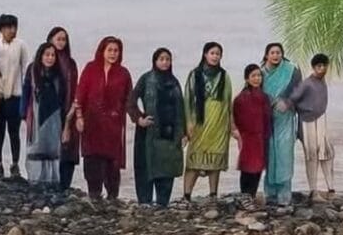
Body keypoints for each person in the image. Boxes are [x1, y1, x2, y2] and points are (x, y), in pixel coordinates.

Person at [75, 36, 133, 200]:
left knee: (112, 163)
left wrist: (138, 118)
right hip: (92, 123)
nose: (113, 54)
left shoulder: (123, 73)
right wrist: (79, 117)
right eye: (110, 50)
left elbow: (130, 100)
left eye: (116, 51)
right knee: (92, 159)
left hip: (113, 126)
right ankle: (94, 194)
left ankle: (112, 196)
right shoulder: (91, 68)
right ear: (102, 51)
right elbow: (80, 94)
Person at [127, 48, 186, 207]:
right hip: (148, 132)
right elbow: (130, 102)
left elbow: (181, 109)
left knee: (167, 168)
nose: (165, 62)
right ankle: (144, 201)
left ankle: (162, 203)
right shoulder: (146, 79)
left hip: (170, 133)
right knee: (145, 167)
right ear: (155, 61)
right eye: (161, 59)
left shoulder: (174, 82)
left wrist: (183, 133)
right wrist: (139, 119)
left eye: (168, 59)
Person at [183, 42, 236, 203]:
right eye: (212, 53)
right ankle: (186, 195)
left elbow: (228, 102)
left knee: (216, 160)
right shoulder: (195, 74)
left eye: (218, 54)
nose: (215, 56)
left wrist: (230, 125)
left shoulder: (224, 76)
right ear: (205, 54)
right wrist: (189, 123)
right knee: (194, 160)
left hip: (218, 122)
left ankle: (213, 194)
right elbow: (188, 100)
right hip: (199, 122)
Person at [0, 13, 30, 179]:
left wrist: (27, 97)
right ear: (1, 29)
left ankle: (15, 164)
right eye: (9, 27)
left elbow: (26, 70)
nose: (12, 30)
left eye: (14, 27)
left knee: (14, 132)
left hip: (16, 95)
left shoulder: (21, 45)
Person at [290, 54, 334, 203]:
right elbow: (293, 99)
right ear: (314, 67)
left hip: (321, 119)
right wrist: (304, 110)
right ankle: (313, 190)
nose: (322, 69)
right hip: (307, 121)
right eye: (319, 67)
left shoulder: (323, 82)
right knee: (311, 155)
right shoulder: (307, 83)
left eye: (324, 66)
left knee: (326, 152)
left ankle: (331, 188)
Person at [261, 43, 302, 206]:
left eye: (278, 52)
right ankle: (270, 194)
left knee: (284, 153)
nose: (276, 55)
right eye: (272, 53)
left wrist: (287, 102)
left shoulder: (292, 70)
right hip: (268, 119)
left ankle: (285, 195)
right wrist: (269, 102)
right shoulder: (261, 72)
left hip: (286, 117)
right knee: (270, 154)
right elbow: (254, 90)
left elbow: (299, 91)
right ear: (266, 55)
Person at [20, 43, 67, 184]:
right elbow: (26, 91)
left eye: (53, 55)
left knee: (53, 150)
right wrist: (22, 113)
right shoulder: (32, 71)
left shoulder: (59, 74)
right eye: (47, 55)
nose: (50, 58)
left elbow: (62, 97)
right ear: (41, 56)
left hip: (54, 117)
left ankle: (52, 181)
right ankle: (34, 181)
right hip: (36, 115)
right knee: (35, 148)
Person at [233, 64, 272, 202]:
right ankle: (245, 196)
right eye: (253, 76)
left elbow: (267, 119)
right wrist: (237, 135)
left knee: (258, 168)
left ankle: (252, 195)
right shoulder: (240, 99)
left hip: (261, 138)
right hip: (247, 138)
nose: (257, 79)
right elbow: (235, 119)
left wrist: (268, 136)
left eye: (259, 75)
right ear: (246, 79)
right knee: (247, 168)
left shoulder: (265, 97)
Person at [47, 26, 79, 190]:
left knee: (69, 149)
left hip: (69, 110)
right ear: (51, 39)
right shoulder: (47, 60)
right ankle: (51, 184)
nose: (61, 42)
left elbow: (76, 88)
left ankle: (65, 185)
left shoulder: (71, 63)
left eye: (64, 39)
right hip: (51, 112)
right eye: (58, 39)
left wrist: (74, 111)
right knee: (52, 149)